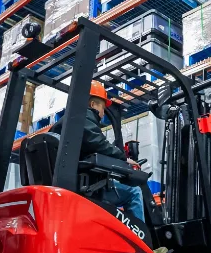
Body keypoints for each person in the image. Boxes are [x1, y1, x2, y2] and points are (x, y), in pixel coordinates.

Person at [50, 80, 145, 222]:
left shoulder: (61, 124)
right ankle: (138, 236)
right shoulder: (83, 119)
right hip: (87, 186)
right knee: (134, 191)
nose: (103, 114)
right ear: (93, 104)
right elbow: (99, 144)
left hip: (71, 183)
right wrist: (124, 159)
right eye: (102, 108)